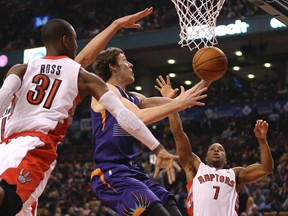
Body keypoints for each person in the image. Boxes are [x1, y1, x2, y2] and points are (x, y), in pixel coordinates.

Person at [0, 15, 189, 215]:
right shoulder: (81, 75)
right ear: (66, 40)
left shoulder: (20, 68)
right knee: (8, 200)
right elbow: (125, 116)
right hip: (35, 146)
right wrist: (157, 147)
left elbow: (2, 98)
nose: (76, 45)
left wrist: (116, 25)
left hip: (5, 147)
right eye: (74, 39)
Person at [155, 75, 274, 216]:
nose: (216, 150)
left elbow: (266, 168)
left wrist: (262, 140)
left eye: (221, 149)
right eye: (213, 149)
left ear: (226, 159)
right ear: (206, 156)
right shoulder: (196, 167)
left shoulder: (234, 174)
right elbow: (178, 133)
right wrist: (171, 103)